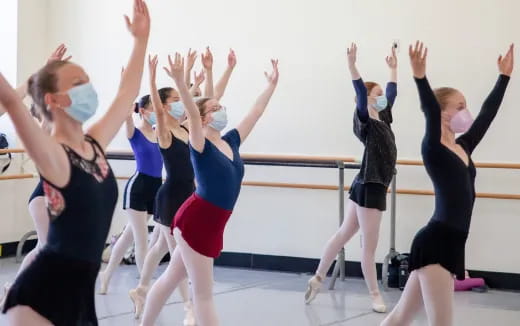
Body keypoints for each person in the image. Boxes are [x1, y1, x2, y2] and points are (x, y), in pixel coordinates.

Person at [0, 1, 150, 324]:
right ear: (53, 100)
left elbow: (127, 94)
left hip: (81, 299)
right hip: (40, 299)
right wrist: (34, 81)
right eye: (78, 83)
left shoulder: (93, 143)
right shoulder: (53, 154)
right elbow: (11, 102)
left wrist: (140, 42)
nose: (90, 89)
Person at [139, 53, 278, 326]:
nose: (221, 110)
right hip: (195, 221)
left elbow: (256, 112)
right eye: (214, 108)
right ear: (201, 119)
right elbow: (191, 111)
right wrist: (181, 81)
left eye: (221, 106)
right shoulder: (199, 145)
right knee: (203, 295)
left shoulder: (232, 141)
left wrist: (271, 86)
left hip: (211, 222)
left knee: (170, 279)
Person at [381, 41, 513, 326]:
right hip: (437, 244)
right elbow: (428, 107)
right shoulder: (433, 147)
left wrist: (504, 77)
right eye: (460, 106)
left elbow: (487, 115)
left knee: (399, 319)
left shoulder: (463, 147)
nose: (467, 112)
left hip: (449, 243)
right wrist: (420, 77)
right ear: (443, 113)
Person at [305, 43, 398, 313]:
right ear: (367, 98)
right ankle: (374, 295)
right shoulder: (365, 121)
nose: (382, 98)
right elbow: (359, 92)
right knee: (368, 247)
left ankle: (318, 277)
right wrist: (352, 66)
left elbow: (392, 93)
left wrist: (394, 68)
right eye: (377, 94)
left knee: (343, 233)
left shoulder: (385, 118)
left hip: (367, 184)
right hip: (370, 187)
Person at [0, 44, 70, 307]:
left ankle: (22, 291)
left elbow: (12, 96)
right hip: (43, 197)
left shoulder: (65, 130)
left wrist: (45, 69)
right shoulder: (45, 128)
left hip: (57, 198)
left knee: (48, 246)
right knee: (47, 246)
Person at [98, 94, 164, 294]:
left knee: (128, 236)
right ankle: (144, 287)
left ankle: (106, 275)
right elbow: (127, 117)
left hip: (155, 188)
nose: (156, 112)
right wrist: (127, 96)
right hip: (138, 187)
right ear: (142, 111)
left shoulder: (159, 132)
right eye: (153, 108)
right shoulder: (134, 132)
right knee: (141, 240)